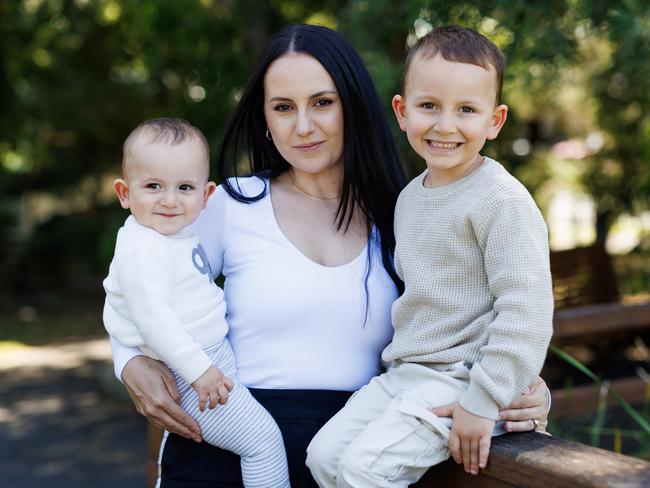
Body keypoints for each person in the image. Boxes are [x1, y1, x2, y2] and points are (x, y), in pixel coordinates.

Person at [109, 24, 553, 488]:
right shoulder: (229, 204)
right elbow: (135, 279)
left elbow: (482, 311)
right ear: (265, 118)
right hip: (227, 451)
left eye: (322, 102)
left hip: (359, 455)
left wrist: (519, 392)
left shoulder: (404, 210)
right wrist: (128, 361)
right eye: (283, 107)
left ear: (352, 107)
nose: (303, 126)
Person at [305, 25, 554, 488]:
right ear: (402, 111)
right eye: (429, 106)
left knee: (365, 469)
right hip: (406, 374)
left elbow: (527, 312)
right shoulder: (409, 199)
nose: (445, 125)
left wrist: (484, 399)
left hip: (465, 381)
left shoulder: (502, 201)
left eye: (466, 110)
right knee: (323, 456)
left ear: (494, 121)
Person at [103, 118, 289, 487]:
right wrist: (198, 371)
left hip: (209, 362)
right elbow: (152, 319)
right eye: (153, 186)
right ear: (125, 193)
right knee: (263, 443)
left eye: (184, 187)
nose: (170, 200)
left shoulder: (171, 236)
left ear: (206, 196)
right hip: (193, 375)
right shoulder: (142, 248)